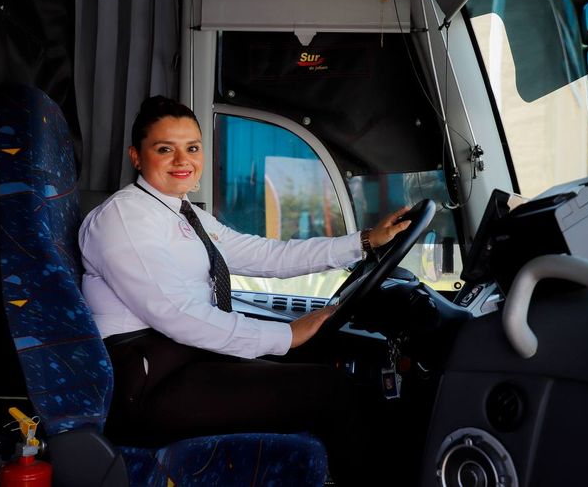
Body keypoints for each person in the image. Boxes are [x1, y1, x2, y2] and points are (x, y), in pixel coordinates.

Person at [79, 95, 411, 484]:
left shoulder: (180, 212)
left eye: (192, 148)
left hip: (184, 361)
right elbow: (177, 313)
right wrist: (285, 335)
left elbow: (264, 255)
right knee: (332, 392)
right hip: (149, 386)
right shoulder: (123, 217)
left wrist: (364, 242)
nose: (182, 160)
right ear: (137, 157)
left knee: (325, 371)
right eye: (165, 149)